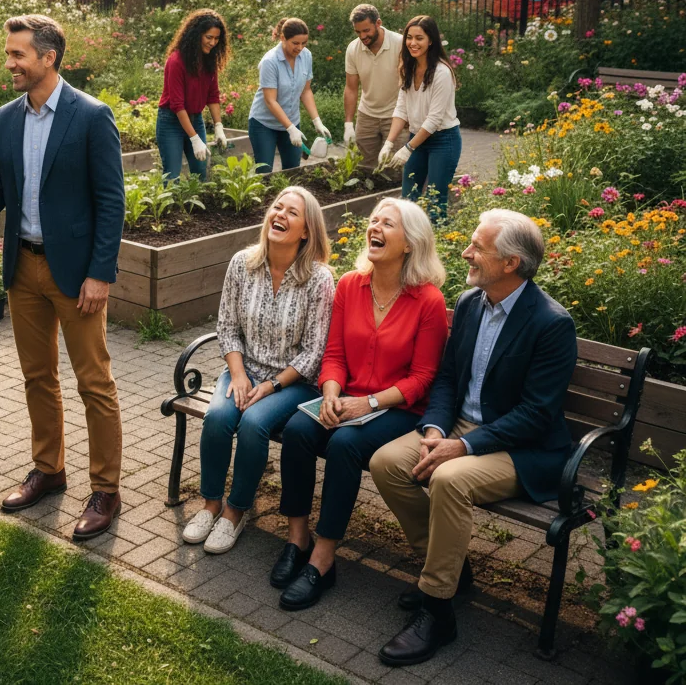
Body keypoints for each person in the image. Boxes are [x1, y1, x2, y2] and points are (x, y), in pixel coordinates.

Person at [0, 14, 126, 541]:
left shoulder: (91, 116)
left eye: (18, 54)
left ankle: (106, 489)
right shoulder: (6, 118)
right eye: (9, 53)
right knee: (37, 376)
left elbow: (111, 203)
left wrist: (100, 273)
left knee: (95, 382)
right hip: (23, 267)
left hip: (76, 276)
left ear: (49, 57)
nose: (9, 64)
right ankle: (49, 470)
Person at [369, 209, 577, 667]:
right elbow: (446, 379)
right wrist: (435, 430)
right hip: (458, 429)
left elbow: (536, 415)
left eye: (478, 247)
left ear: (511, 263)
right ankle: (447, 572)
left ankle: (437, 610)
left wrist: (460, 447)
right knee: (387, 463)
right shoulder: (468, 303)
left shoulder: (551, 324)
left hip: (520, 448)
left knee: (450, 480)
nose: (466, 252)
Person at [273, 198, 448, 611]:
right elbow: (333, 354)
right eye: (374, 220)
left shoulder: (429, 301)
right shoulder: (351, 284)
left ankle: (323, 558)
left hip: (400, 409)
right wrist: (332, 393)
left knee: (344, 446)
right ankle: (298, 539)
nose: (376, 227)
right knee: (299, 431)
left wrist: (367, 403)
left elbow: (423, 379)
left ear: (409, 244)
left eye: (389, 224)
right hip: (347, 398)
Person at [180, 187, 334, 555]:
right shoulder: (242, 263)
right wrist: (237, 375)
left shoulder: (319, 279)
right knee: (218, 416)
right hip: (243, 370)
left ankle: (236, 511)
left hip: (292, 383)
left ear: (307, 230)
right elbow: (228, 326)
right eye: (276, 207)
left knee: (253, 423)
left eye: (291, 212)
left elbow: (315, 352)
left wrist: (270, 386)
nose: (279, 214)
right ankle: (210, 504)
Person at [379, 15, 461, 222]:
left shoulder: (442, 72)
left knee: (436, 199)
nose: (413, 43)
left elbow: (434, 120)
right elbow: (401, 109)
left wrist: (407, 149)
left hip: (443, 141)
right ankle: (408, 247)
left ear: (431, 40)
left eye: (419, 38)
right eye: (409, 37)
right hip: (418, 139)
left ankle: (438, 245)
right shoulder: (409, 67)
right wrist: (388, 144)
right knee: (408, 199)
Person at [248, 17, 331, 173]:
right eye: (295, 43)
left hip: (292, 121)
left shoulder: (306, 56)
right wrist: (290, 128)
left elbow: (305, 91)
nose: (300, 48)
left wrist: (317, 121)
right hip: (264, 124)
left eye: (304, 43)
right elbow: (270, 100)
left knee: (293, 172)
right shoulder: (270, 61)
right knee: (264, 172)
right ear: (282, 38)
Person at [156, 9, 231, 181]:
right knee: (172, 176)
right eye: (208, 37)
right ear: (196, 35)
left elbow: (212, 96)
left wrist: (218, 127)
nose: (213, 43)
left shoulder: (209, 61)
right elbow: (177, 105)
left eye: (216, 38)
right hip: (171, 121)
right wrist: (194, 139)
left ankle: (198, 208)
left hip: (195, 119)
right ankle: (172, 208)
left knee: (200, 173)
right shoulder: (176, 61)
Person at [343, 3, 406, 168]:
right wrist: (348, 124)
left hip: (395, 115)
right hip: (366, 116)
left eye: (366, 31)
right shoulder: (353, 49)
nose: (362, 36)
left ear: (378, 23)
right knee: (364, 168)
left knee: (394, 168)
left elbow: (409, 84)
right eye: (358, 32)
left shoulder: (400, 44)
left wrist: (409, 115)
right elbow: (351, 88)